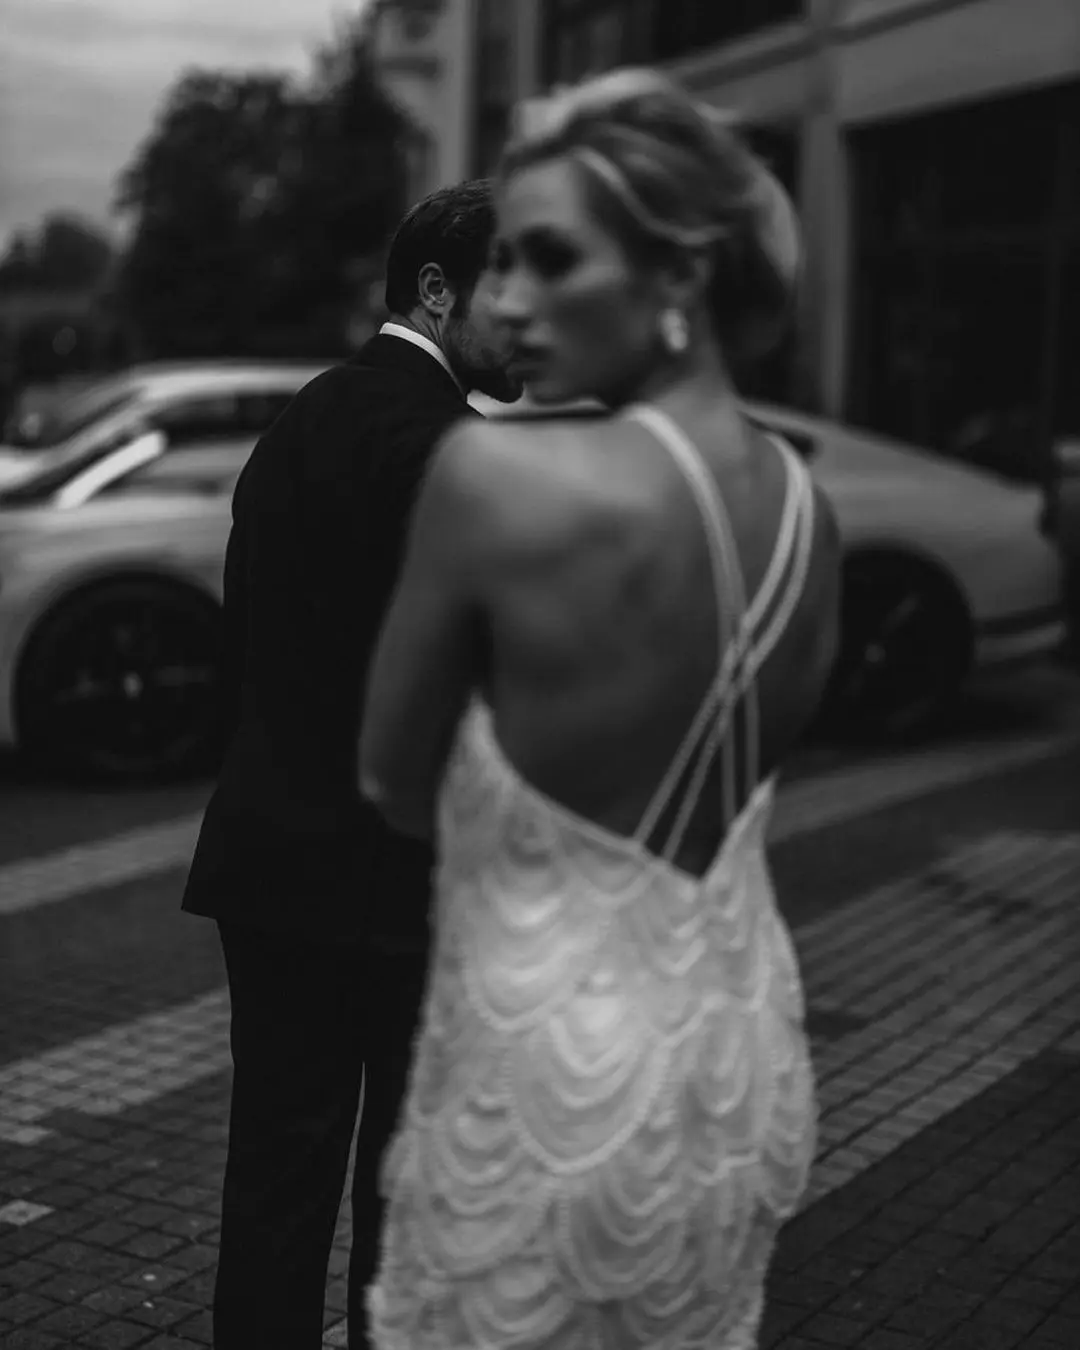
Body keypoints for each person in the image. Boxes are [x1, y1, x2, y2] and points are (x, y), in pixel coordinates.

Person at [358, 69, 842, 1348]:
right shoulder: (808, 505)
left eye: (548, 259)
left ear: (679, 275)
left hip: (545, 1101)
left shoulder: (494, 481)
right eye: (503, 262)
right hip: (733, 1076)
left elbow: (393, 780)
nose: (508, 298)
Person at [180, 179, 522, 1350]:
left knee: (274, 1185)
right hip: (404, 891)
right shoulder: (459, 458)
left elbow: (250, 646)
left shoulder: (302, 422)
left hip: (271, 866)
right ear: (436, 289)